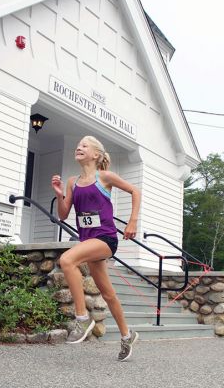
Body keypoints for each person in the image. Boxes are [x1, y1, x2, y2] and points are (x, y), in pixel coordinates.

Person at [51, 136, 141, 361]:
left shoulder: (104, 177)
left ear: (96, 155)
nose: (78, 147)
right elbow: (63, 215)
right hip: (88, 241)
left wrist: (132, 222)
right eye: (77, 145)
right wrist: (58, 193)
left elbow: (135, 192)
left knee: (67, 260)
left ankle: (82, 318)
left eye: (84, 145)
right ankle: (127, 335)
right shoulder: (72, 181)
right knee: (109, 294)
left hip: (106, 239)